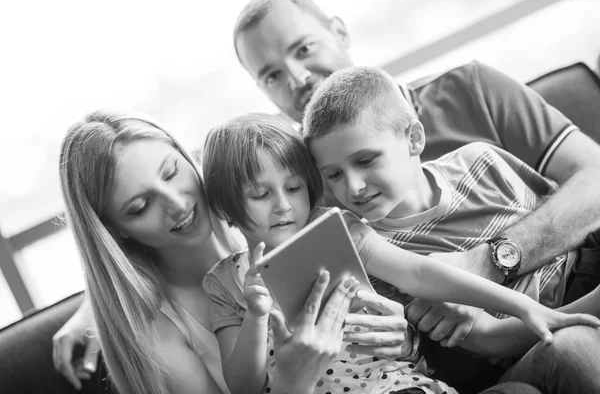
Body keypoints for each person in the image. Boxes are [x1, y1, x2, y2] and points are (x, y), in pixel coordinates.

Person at [232, 0, 600, 390]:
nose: (297, 77)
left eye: (303, 48)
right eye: (271, 75)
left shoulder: (471, 94)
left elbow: (595, 178)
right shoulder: (315, 207)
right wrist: (408, 340)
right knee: (572, 351)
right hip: (505, 358)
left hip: (580, 275)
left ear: (338, 31)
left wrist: (486, 262)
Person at [200, 112, 598, 394]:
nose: (283, 205)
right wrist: (255, 315)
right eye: (260, 195)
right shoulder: (225, 282)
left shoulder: (337, 229)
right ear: (225, 210)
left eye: (292, 188)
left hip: (408, 385)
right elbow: (243, 385)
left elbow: (422, 274)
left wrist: (523, 307)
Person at [55, 110, 412, 394]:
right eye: (140, 206)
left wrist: (407, 339)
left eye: (171, 172)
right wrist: (292, 382)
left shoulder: (267, 206)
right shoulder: (161, 337)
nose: (177, 204)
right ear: (113, 229)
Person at [301, 65, 600, 393]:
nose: (354, 187)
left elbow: (572, 230)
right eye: (334, 175)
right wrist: (587, 308)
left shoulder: (481, 161)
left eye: (366, 160)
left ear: (414, 139)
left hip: (586, 272)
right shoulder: (379, 262)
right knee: (570, 348)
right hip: (530, 348)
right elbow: (492, 341)